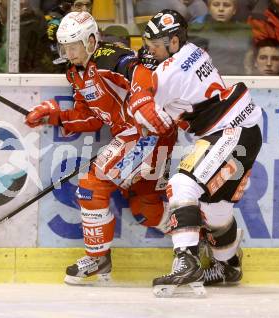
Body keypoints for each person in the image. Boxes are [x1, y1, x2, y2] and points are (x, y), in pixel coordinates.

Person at [24, 11, 177, 285]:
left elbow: (139, 71)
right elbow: (92, 118)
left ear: (92, 40)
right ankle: (205, 240)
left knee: (92, 187)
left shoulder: (110, 56)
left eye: (73, 46)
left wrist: (141, 99)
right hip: (137, 137)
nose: (68, 53)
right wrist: (56, 115)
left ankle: (98, 258)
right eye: (64, 48)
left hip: (144, 134)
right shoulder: (76, 73)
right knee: (146, 209)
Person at [127, 9, 262, 296]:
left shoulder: (167, 73)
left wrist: (137, 100)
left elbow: (153, 122)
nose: (149, 52)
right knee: (215, 210)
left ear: (174, 42)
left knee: (181, 184)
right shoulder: (194, 50)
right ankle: (228, 266)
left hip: (230, 129)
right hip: (245, 126)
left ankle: (185, 261)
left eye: (154, 47)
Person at [188, 0, 252, 75]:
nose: (221, 9)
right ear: (209, 8)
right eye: (216, 5)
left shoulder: (244, 31)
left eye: (226, 5)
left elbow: (248, 61)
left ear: (234, 10)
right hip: (208, 80)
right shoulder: (197, 30)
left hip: (238, 78)